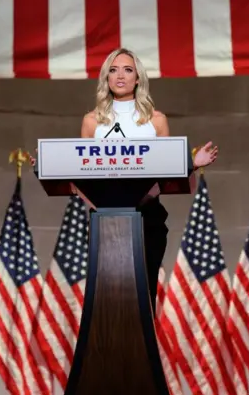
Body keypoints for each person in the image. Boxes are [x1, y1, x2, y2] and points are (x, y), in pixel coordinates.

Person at [80, 47, 218, 313]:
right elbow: (81, 171)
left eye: (128, 69)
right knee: (107, 306)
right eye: (113, 69)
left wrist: (191, 164)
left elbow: (165, 170)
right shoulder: (90, 122)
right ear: (106, 78)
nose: (120, 76)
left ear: (138, 78)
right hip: (105, 223)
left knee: (142, 302)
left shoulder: (156, 122)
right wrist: (48, 167)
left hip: (148, 221)